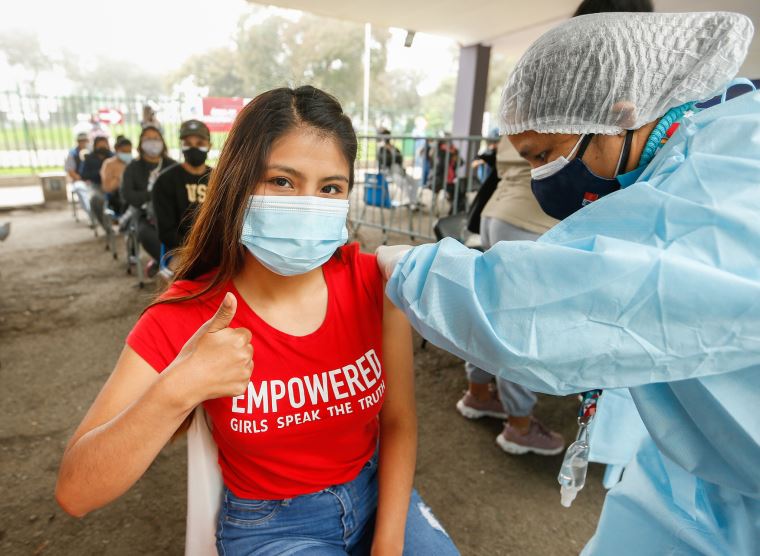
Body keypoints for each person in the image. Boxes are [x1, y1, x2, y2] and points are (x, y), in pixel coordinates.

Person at [378, 12, 759, 555]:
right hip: (705, 468)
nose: (540, 177)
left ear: (619, 115)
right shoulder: (687, 151)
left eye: (545, 155)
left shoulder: (726, 171)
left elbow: (550, 309)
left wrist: (405, 268)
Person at [56, 86, 459, 556]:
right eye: (283, 182)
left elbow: (398, 420)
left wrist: (388, 544)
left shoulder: (372, 280)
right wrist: (177, 388)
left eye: (330, 187)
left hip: (377, 495)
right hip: (274, 527)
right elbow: (76, 491)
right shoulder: (189, 313)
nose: (308, 204)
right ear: (237, 183)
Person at [457, 136, 563, 456]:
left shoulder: (525, 102)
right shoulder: (571, 106)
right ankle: (519, 426)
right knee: (520, 326)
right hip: (532, 217)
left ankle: (479, 393)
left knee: (492, 313)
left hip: (499, 212)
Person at [152, 120, 212, 260]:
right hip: (180, 250)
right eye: (188, 144)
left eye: (200, 144)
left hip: (216, 249)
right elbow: (166, 232)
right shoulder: (165, 181)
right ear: (181, 146)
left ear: (209, 146)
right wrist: (195, 249)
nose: (193, 148)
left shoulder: (220, 179)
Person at [120, 125, 175, 274]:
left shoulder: (172, 166)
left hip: (171, 214)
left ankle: (165, 264)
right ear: (141, 143)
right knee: (146, 233)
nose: (153, 142)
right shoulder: (133, 168)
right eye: (148, 139)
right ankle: (170, 267)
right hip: (143, 214)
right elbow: (129, 195)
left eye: (156, 139)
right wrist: (152, 194)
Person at [79, 135, 113, 232]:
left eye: (104, 145)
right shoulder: (89, 158)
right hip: (96, 185)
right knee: (95, 199)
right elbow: (83, 175)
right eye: (100, 146)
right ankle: (106, 227)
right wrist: (100, 172)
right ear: (95, 146)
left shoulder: (112, 156)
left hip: (112, 185)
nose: (102, 148)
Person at [99, 135, 132, 217]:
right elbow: (107, 188)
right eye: (124, 151)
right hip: (116, 196)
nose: (127, 154)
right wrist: (120, 178)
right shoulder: (108, 164)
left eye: (129, 152)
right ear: (117, 150)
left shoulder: (133, 163)